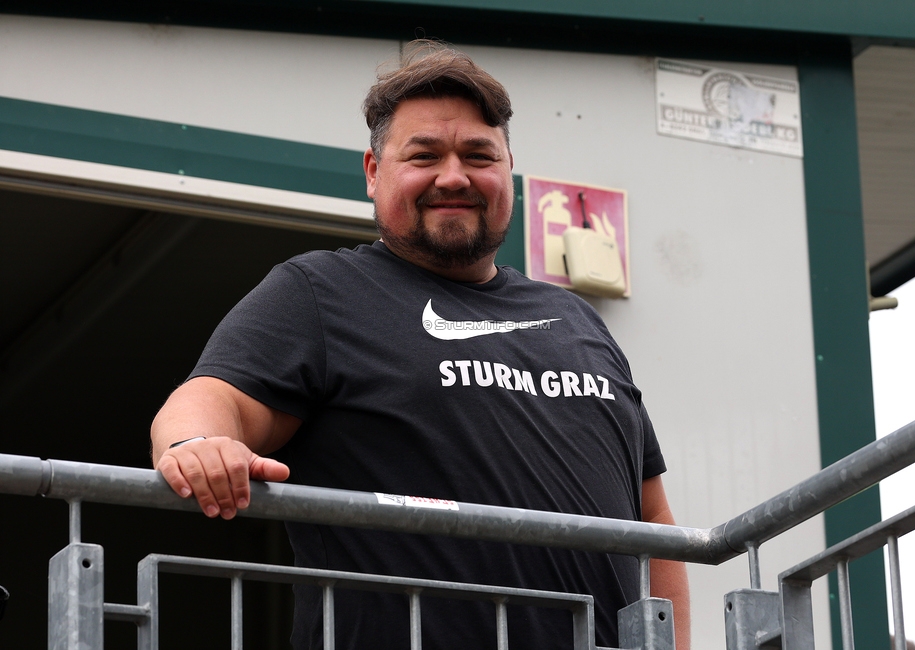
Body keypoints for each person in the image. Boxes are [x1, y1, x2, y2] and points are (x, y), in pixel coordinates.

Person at [151, 41, 690, 650]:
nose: (454, 176)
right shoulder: (320, 292)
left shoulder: (576, 319)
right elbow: (208, 399)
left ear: (507, 168)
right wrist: (197, 445)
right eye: (425, 155)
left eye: (478, 155)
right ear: (374, 173)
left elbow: (653, 522)